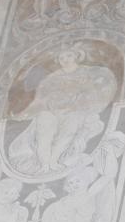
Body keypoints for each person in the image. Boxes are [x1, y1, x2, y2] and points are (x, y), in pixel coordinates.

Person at [7, 46, 118, 176]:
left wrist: (77, 104)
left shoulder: (89, 72)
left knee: (70, 126)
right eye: (61, 57)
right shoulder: (51, 79)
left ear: (76, 56)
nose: (65, 59)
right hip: (52, 110)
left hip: (73, 110)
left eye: (69, 55)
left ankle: (54, 160)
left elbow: (96, 91)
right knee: (44, 125)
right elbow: (40, 101)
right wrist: (24, 113)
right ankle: (44, 164)